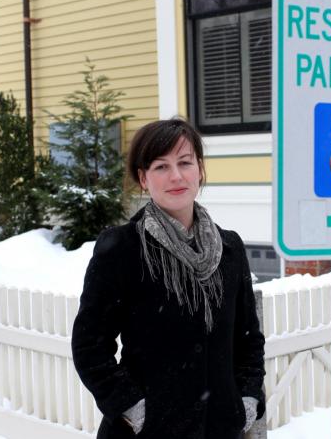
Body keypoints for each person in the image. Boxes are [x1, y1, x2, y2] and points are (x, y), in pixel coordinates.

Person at [71, 118, 266, 439]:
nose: (176, 176)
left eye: (185, 162)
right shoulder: (122, 248)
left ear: (200, 170)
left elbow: (248, 339)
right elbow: (90, 346)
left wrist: (245, 400)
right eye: (161, 166)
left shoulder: (230, 248)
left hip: (219, 429)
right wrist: (134, 408)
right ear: (143, 178)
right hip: (150, 432)